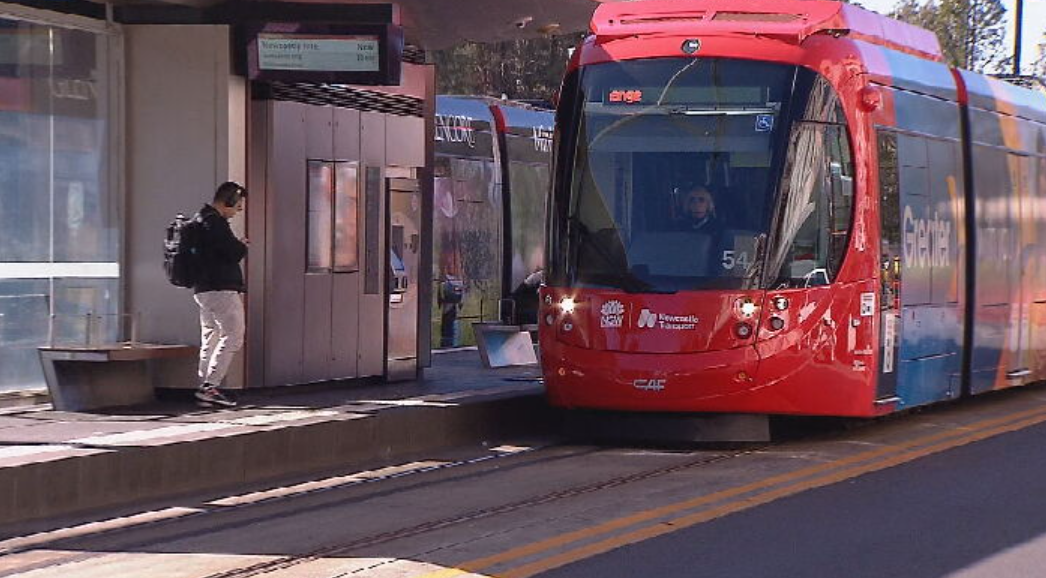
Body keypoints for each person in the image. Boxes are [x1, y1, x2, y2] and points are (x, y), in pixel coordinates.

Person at [193, 182, 248, 408]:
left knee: (212, 335)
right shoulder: (215, 223)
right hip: (220, 288)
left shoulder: (200, 220)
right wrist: (241, 245)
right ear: (229, 201)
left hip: (203, 289)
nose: (239, 210)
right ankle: (211, 387)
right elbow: (232, 252)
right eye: (239, 205)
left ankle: (205, 384)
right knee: (233, 335)